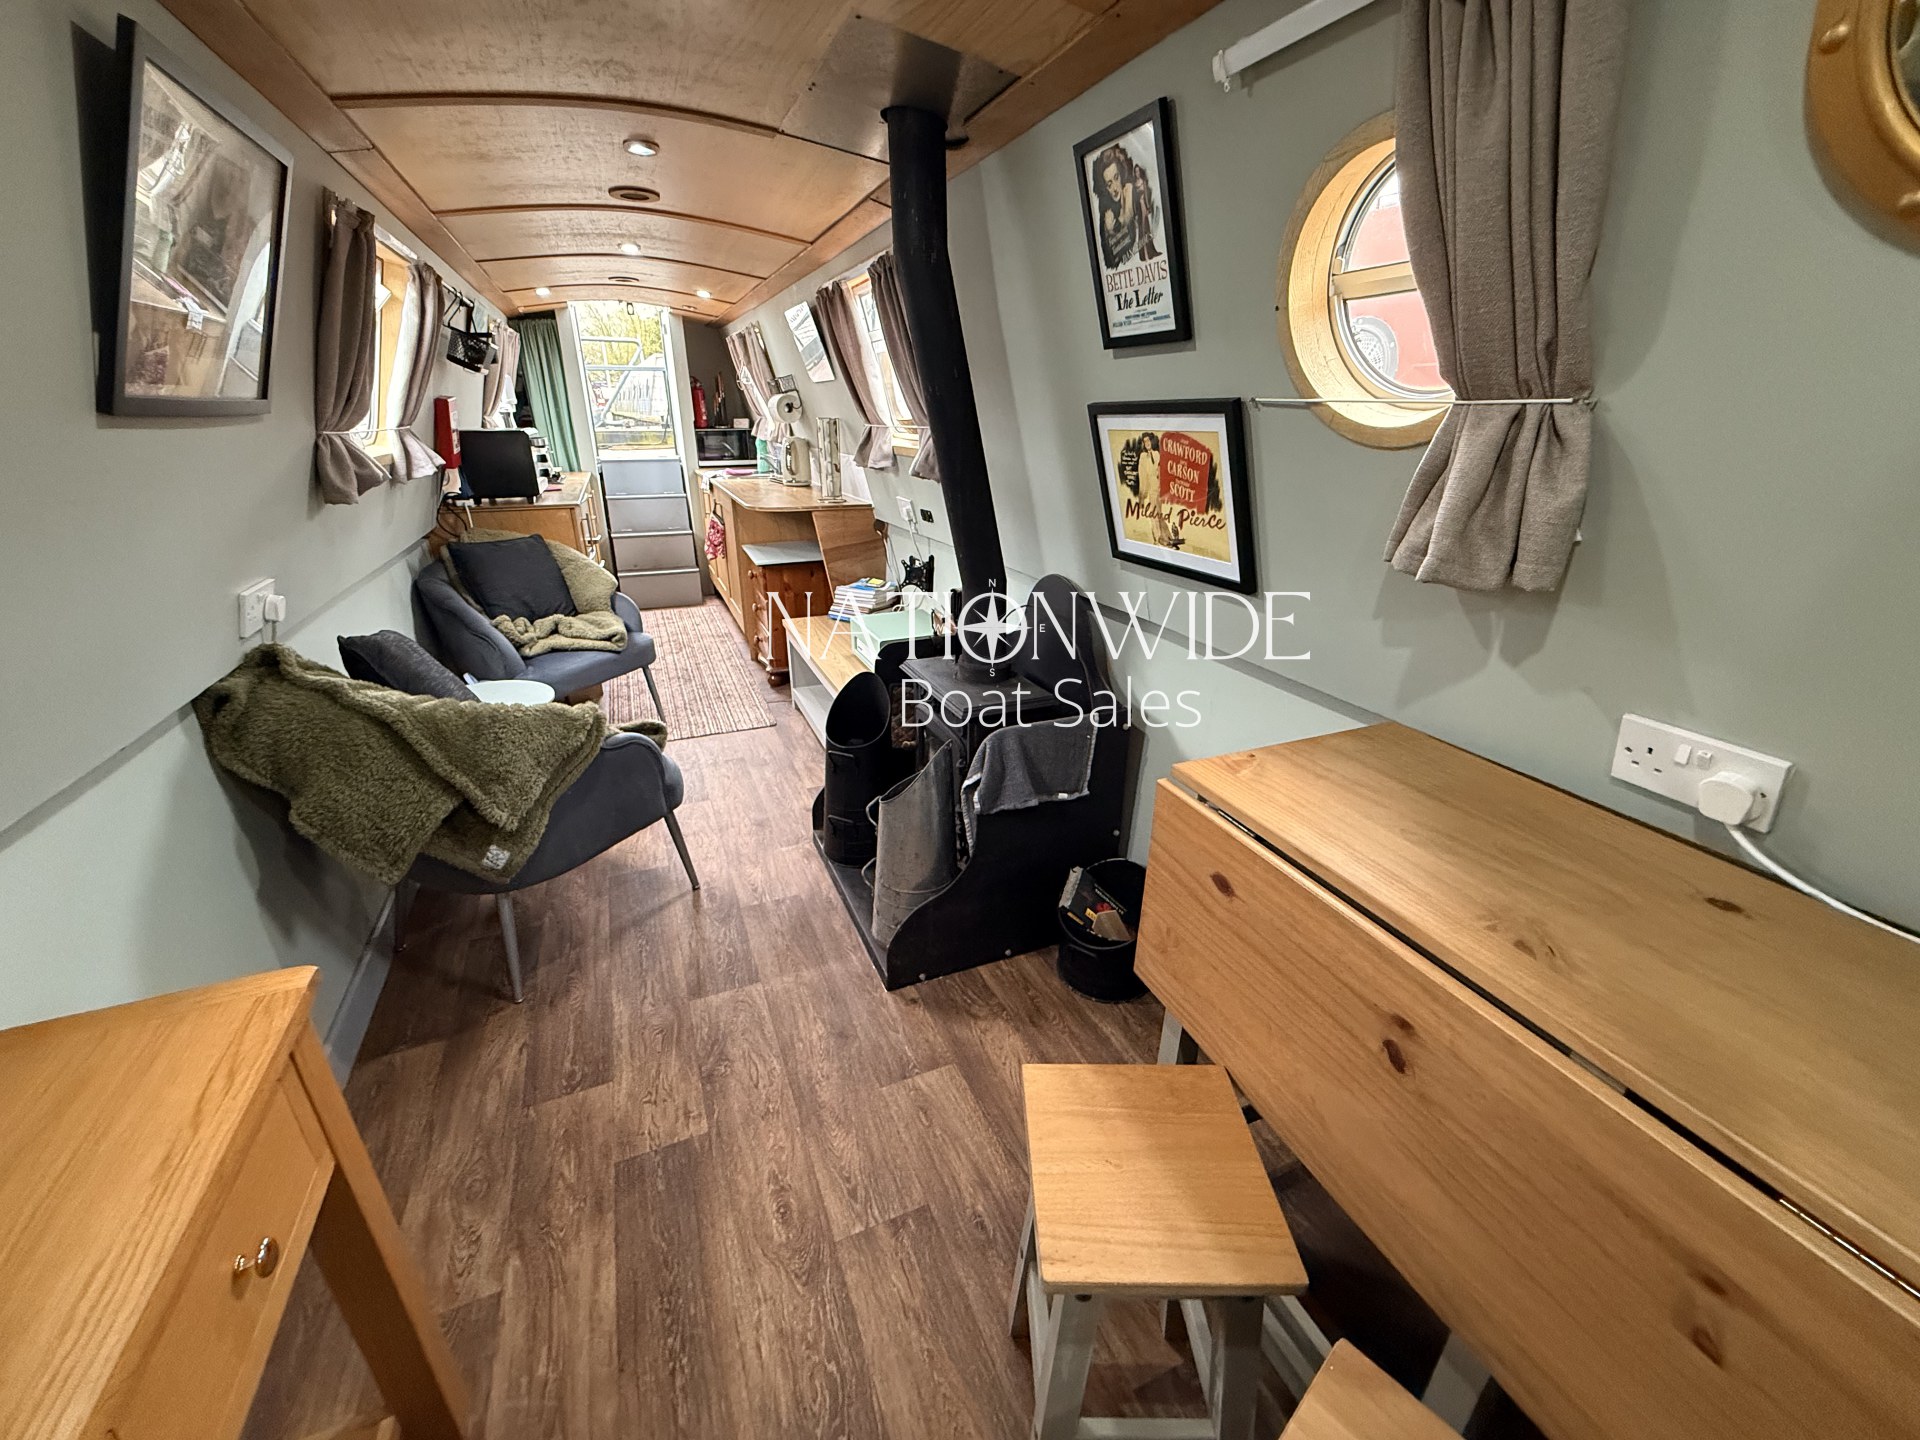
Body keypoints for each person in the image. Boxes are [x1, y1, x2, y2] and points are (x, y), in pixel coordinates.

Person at [1094, 143, 1161, 272]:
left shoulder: (1129, 191)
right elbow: (1108, 260)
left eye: (1116, 178)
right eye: (1109, 184)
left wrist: (1113, 229)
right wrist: (1109, 230)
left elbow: (1127, 217)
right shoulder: (1106, 215)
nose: (1114, 188)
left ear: (1121, 174)